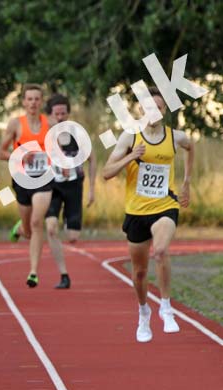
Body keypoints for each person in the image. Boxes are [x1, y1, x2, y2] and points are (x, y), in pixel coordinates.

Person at [102, 86, 193, 342]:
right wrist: (131, 156)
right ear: (142, 110)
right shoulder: (129, 138)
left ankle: (166, 306)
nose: (154, 112)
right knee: (139, 272)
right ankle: (144, 312)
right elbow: (107, 173)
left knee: (161, 251)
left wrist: (186, 181)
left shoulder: (175, 137)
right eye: (150, 107)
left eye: (160, 108)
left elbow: (191, 146)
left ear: (164, 111)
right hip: (136, 211)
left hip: (165, 205)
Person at [0, 84, 52, 287]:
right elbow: (2, 153)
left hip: (44, 178)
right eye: (29, 99)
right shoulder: (15, 124)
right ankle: (21, 228)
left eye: (37, 99)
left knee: (38, 222)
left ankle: (33, 272)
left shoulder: (50, 123)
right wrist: (21, 155)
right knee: (30, 228)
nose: (33, 103)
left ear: (41, 101)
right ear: (24, 102)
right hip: (22, 180)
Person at [43, 94, 97, 289]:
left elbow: (92, 159)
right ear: (50, 115)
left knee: (73, 236)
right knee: (50, 228)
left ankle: (68, 219)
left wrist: (92, 189)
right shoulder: (45, 134)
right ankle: (64, 274)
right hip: (52, 186)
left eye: (63, 113)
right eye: (56, 114)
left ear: (68, 114)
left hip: (74, 185)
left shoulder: (77, 133)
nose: (60, 117)